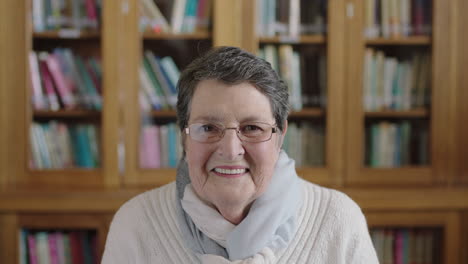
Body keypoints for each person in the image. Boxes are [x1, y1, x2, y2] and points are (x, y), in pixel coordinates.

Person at [101, 46, 379, 263]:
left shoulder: (338, 219)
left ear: (280, 135)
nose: (231, 150)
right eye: (208, 127)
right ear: (184, 135)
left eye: (252, 128)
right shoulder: (136, 222)